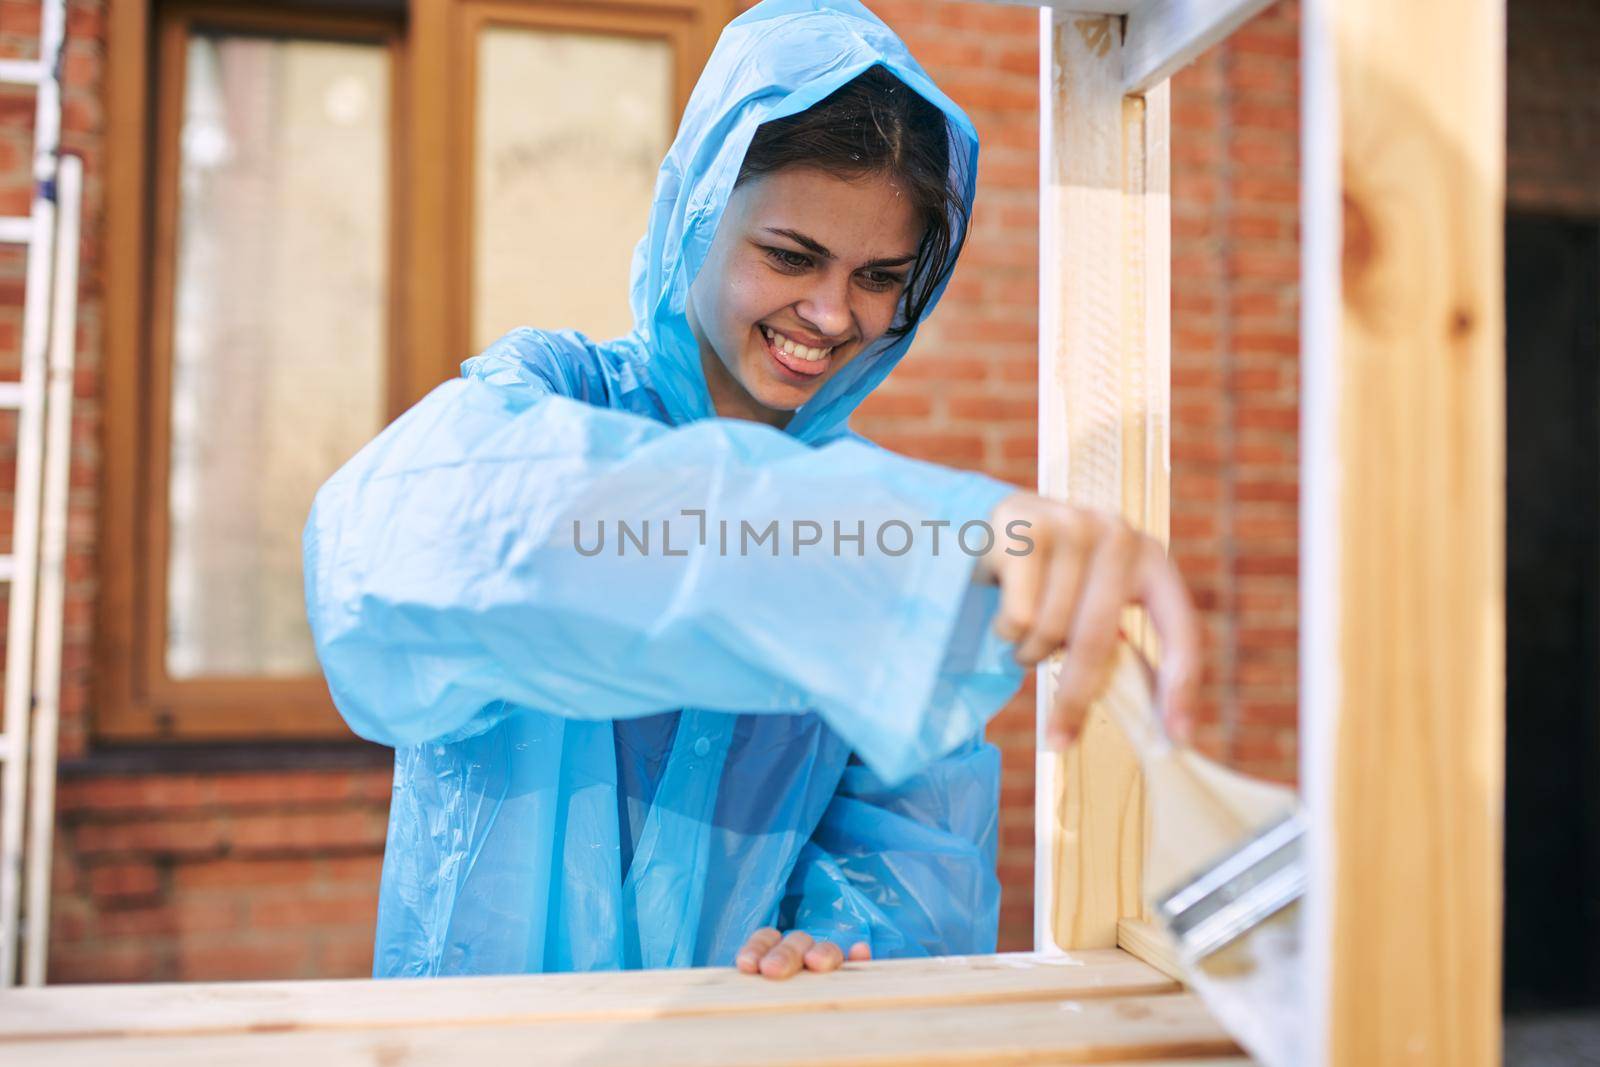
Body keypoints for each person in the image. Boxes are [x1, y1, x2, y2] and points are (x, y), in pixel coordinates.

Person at [302, 0, 1199, 981]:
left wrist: (847, 947)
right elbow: (395, 542)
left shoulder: (887, 536)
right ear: (696, 212)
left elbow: (914, 859)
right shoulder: (551, 400)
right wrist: (914, 540)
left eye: (879, 276)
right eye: (788, 255)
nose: (829, 312)